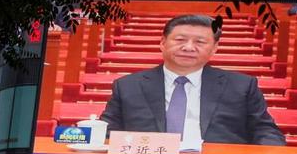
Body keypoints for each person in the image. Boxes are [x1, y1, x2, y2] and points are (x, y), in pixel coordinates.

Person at [98, 14, 286, 147]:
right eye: (180, 40)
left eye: (200, 42)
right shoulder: (128, 86)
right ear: (162, 43)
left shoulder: (241, 86)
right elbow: (106, 131)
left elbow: (266, 131)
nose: (188, 48)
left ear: (214, 48)